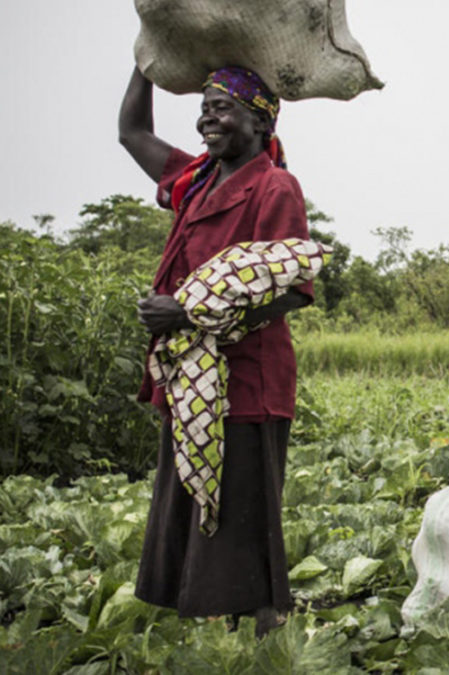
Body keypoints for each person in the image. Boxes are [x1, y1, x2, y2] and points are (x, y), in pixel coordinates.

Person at [118, 65, 314, 636]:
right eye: (204, 107)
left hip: (247, 377)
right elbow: (131, 132)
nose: (208, 117)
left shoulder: (275, 186)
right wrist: (146, 60)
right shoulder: (196, 179)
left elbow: (292, 290)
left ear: (259, 121)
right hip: (191, 378)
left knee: (245, 512)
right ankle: (223, 631)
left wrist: (188, 312)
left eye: (223, 108)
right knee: (197, 499)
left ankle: (265, 633)